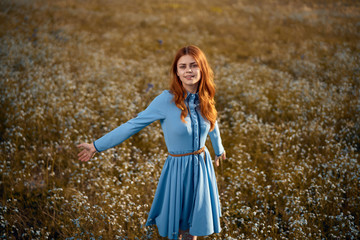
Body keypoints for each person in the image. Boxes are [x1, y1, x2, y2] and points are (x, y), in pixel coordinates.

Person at [77, 45, 226, 240]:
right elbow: (132, 125)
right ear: (177, 73)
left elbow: (212, 123)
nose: (189, 70)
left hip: (202, 166)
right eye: (183, 67)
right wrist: (97, 146)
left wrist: (218, 149)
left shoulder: (205, 96)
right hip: (179, 169)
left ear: (202, 69)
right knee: (180, 225)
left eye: (193, 65)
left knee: (194, 225)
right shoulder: (165, 100)